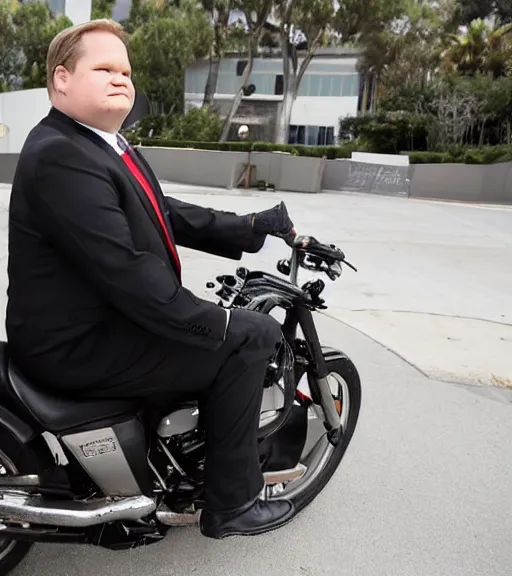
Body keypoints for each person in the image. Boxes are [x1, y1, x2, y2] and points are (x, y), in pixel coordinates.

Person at [6, 19, 298, 539]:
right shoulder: (62, 156)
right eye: (104, 68)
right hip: (79, 344)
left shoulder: (102, 143)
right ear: (62, 80)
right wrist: (217, 322)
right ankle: (233, 502)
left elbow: (163, 211)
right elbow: (126, 270)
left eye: (126, 70)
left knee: (221, 330)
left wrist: (250, 229)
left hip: (95, 322)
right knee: (252, 337)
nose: (121, 78)